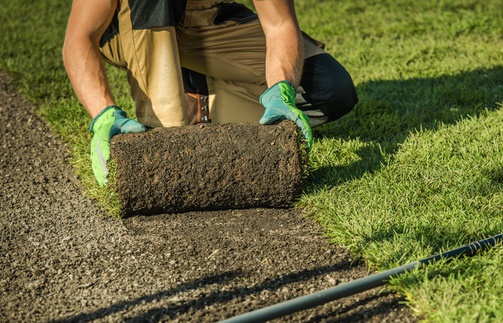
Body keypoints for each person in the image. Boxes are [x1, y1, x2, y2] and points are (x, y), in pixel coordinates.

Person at [63, 0, 358, 185]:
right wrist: (103, 114)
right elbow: (80, 38)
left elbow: (280, 24)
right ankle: (166, 124)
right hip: (132, 21)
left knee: (330, 90)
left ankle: (198, 93)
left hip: (209, 18)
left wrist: (281, 89)